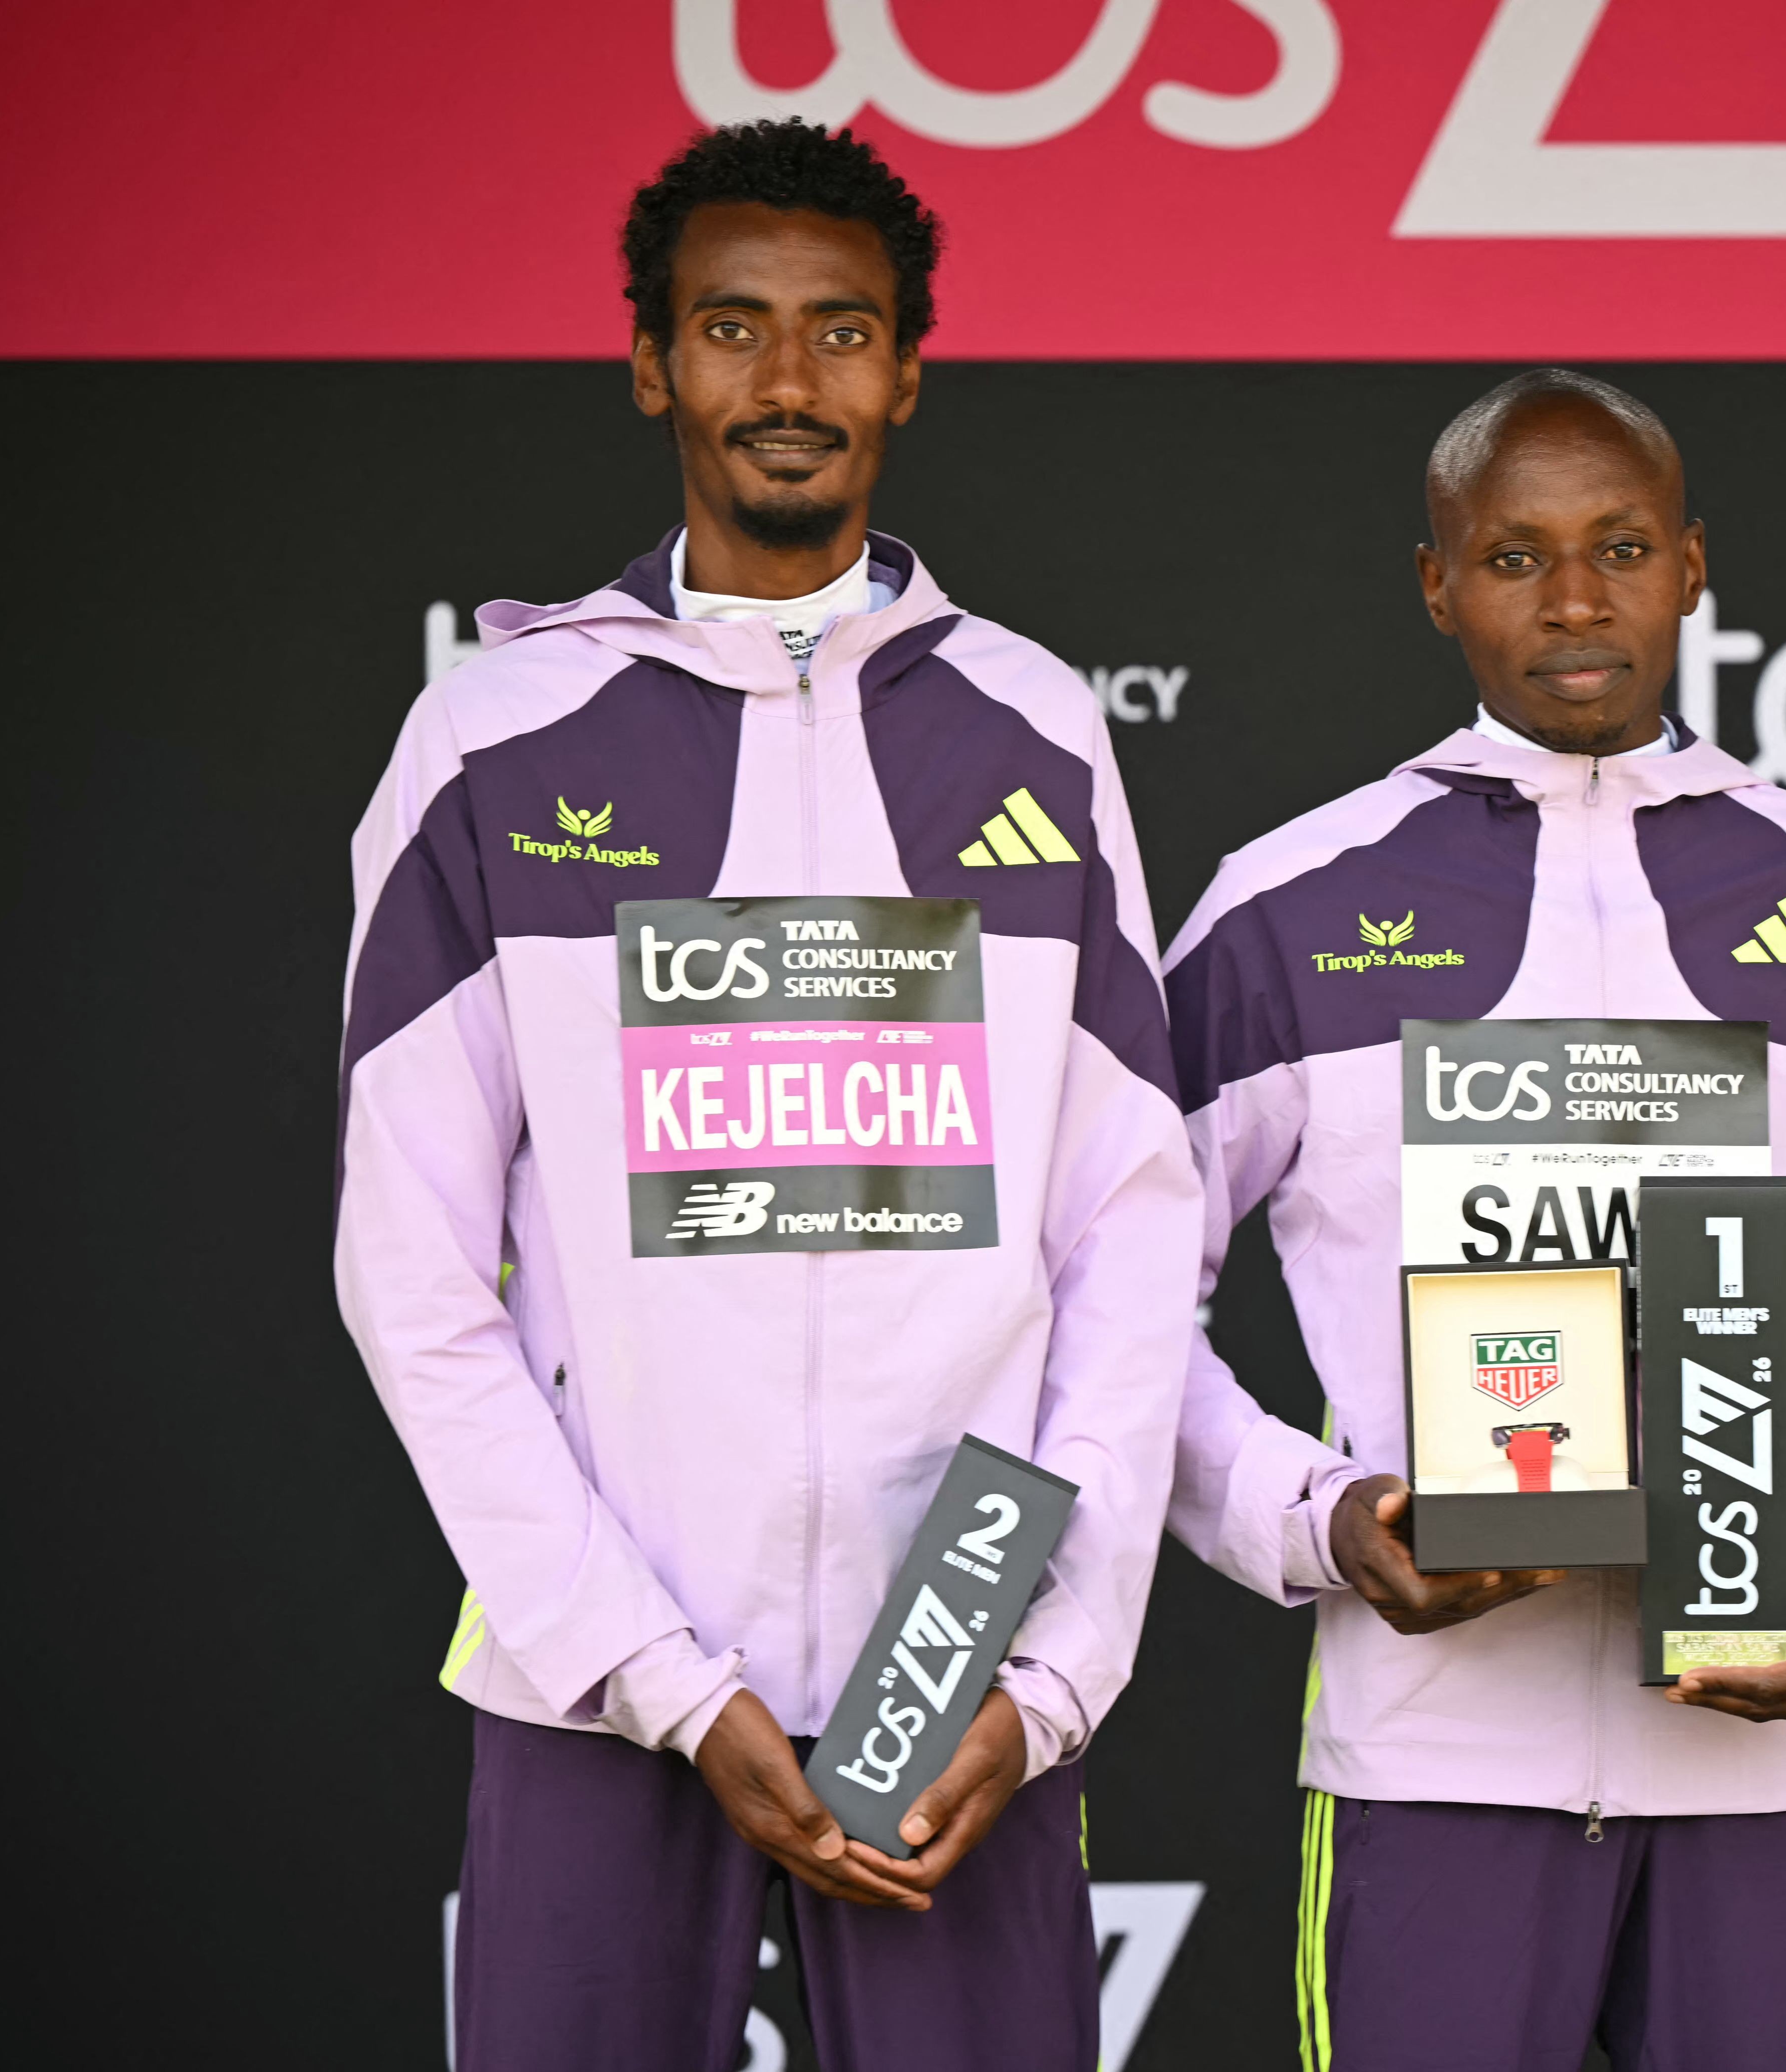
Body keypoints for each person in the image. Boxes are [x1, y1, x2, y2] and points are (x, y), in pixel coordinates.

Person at [335, 121, 1198, 2071]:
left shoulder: (1038, 729)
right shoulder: (489, 739)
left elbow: (1131, 1232)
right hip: (602, 1684)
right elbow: (411, 1274)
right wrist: (648, 1667)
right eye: (733, 327)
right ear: (652, 364)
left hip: (956, 1681)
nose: (789, 381)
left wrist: (1052, 1673)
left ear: (910, 369)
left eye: (841, 331)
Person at [1160, 368, 1786, 2072]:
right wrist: (1319, 1518)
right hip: (1433, 1765)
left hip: (1766, 1757)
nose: (1574, 601)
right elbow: (1116, 1301)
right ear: (1439, 585)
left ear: (1692, 566)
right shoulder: (1289, 904)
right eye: (1515, 558)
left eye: (1621, 548)